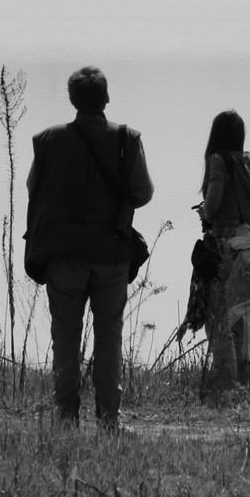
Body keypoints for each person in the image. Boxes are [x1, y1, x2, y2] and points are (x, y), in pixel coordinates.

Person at [24, 66, 153, 431]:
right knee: (109, 334)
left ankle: (66, 418)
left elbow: (34, 188)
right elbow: (143, 194)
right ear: (106, 98)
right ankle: (108, 419)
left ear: (72, 100)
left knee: (65, 334)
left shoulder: (48, 140)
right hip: (110, 254)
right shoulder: (127, 139)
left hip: (63, 255)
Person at [196, 109, 250, 401]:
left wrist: (204, 212)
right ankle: (244, 383)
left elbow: (213, 204)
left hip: (224, 247)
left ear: (216, 136)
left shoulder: (218, 161)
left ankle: (224, 386)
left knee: (218, 318)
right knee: (241, 319)